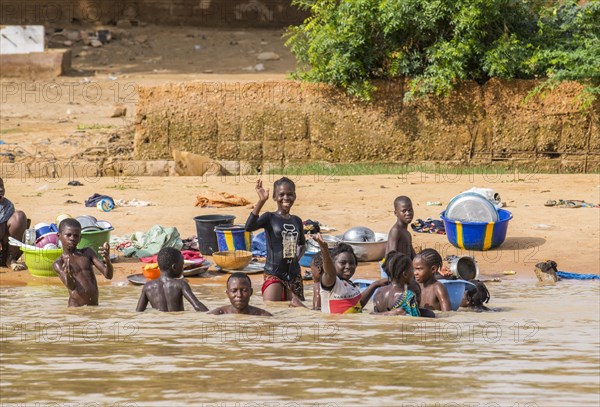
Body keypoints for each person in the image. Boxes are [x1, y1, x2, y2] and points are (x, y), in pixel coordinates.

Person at [245, 178, 306, 307]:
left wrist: (295, 258)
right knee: (272, 311)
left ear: (295, 196)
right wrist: (261, 201)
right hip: (274, 273)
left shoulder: (297, 220)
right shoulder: (269, 217)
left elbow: (302, 244)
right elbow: (249, 227)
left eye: (290, 194)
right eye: (281, 194)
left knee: (300, 313)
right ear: (274, 197)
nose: (286, 198)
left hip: (294, 274)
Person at [314, 234, 388, 314]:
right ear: (333, 264)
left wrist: (375, 284)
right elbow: (330, 273)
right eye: (343, 263)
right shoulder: (332, 283)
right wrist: (324, 249)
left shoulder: (351, 285)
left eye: (352, 263)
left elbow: (358, 306)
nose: (348, 266)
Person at [53, 218, 113, 307]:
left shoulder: (88, 252)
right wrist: (68, 274)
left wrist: (107, 260)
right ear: (59, 236)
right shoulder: (59, 263)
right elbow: (71, 286)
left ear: (80, 238)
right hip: (76, 310)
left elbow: (108, 276)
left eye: (76, 236)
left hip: (94, 307)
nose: (72, 238)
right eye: (68, 235)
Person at [136, 247, 208, 312]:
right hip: (177, 324)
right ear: (174, 267)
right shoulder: (181, 284)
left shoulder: (147, 286)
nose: (183, 268)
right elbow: (197, 306)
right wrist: (213, 315)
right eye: (182, 264)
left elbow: (138, 312)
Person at [372, 251, 433, 317]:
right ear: (405, 274)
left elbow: (374, 316)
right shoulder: (408, 297)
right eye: (412, 270)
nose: (414, 273)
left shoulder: (379, 293)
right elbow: (415, 320)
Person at [208, 272, 272, 316]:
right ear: (227, 293)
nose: (239, 295)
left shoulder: (263, 315)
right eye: (234, 291)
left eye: (244, 290)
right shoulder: (217, 314)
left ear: (251, 292)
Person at [0, 178, 28, 271]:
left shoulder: (7, 205)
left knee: (19, 216)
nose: (0, 189)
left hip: (4, 251)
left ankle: (10, 259)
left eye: (1, 186)